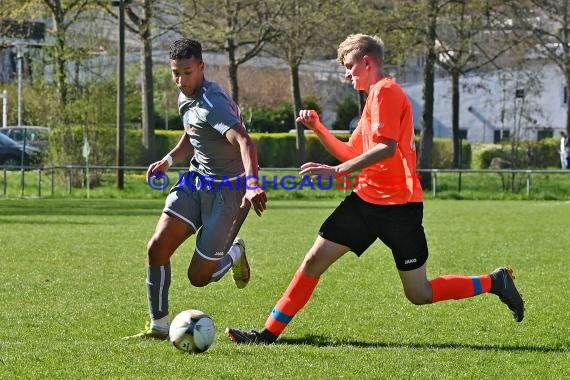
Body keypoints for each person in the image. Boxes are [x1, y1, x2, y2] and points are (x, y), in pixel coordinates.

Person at [225, 34, 524, 345]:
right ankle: (267, 334)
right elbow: (352, 153)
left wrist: (336, 172)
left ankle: (494, 282)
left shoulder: (386, 92)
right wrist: (319, 128)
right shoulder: (372, 101)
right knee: (313, 261)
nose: (346, 74)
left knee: (419, 293)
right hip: (365, 202)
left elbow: (387, 149)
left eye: (349, 67)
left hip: (400, 209)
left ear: (366, 62)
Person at [125, 38, 267, 340]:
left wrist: (252, 185)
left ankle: (235, 251)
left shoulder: (214, 103)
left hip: (227, 192)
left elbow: (244, 142)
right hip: (195, 181)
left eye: (187, 72)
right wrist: (168, 159)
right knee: (157, 248)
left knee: (199, 277)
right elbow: (193, 134)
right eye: (175, 73)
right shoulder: (185, 96)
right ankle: (159, 327)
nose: (181, 80)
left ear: (201, 67)